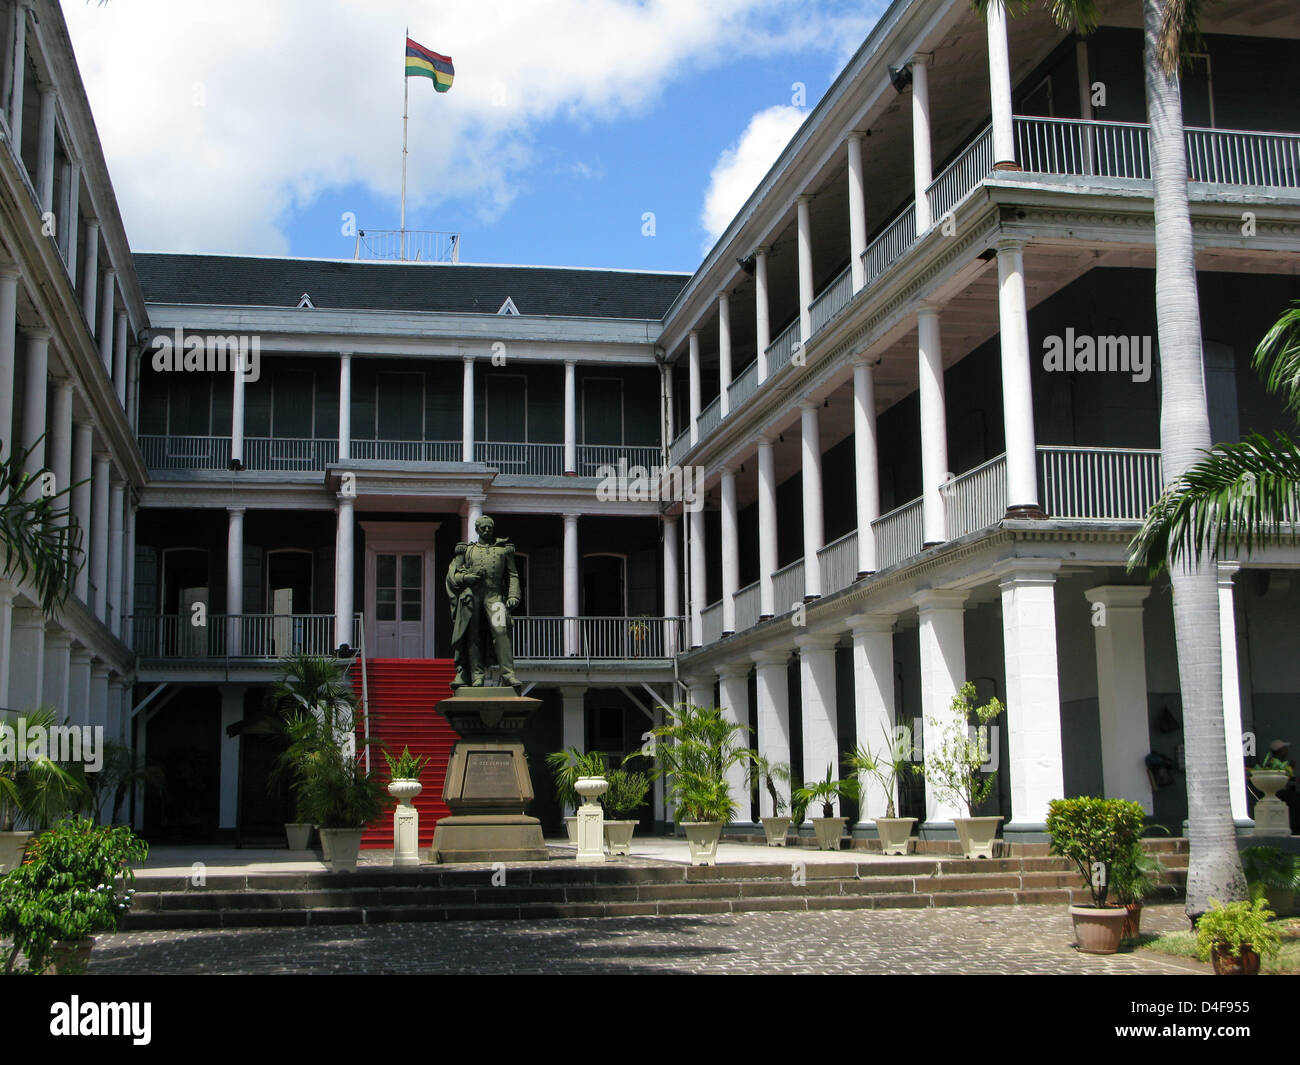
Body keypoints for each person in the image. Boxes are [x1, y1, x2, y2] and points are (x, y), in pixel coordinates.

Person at [445, 515, 521, 690]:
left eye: (489, 527)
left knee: (501, 632)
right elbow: (453, 576)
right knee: (473, 636)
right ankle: (477, 675)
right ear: (477, 529)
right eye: (483, 528)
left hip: (495, 597)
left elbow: (513, 575)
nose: (486, 530)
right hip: (473, 596)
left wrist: (513, 596)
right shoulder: (468, 550)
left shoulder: (504, 550)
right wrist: (467, 577)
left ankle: (508, 674)